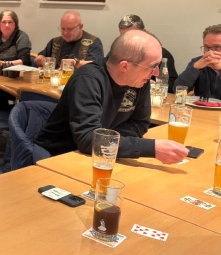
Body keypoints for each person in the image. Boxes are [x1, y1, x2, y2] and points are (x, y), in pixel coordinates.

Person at [35, 30, 188, 164]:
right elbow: (88, 140)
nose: (156, 73)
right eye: (152, 66)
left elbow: (140, 124)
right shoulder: (88, 80)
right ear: (125, 66)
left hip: (101, 156)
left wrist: (106, 140)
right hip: (60, 156)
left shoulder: (140, 80)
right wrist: (152, 148)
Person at [118, 14, 177, 91]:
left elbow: (173, 84)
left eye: (132, 35)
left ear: (144, 32)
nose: (127, 40)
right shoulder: (117, 53)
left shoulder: (161, 54)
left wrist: (155, 84)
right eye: (123, 36)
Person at [34, 10, 104, 69]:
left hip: (80, 79)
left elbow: (97, 65)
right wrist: (43, 61)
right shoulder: (56, 41)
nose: (65, 33)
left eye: (70, 29)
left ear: (80, 27)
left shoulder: (93, 42)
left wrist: (74, 63)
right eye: (63, 29)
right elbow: (37, 59)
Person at [175, 24, 221, 100]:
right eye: (206, 47)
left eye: (217, 47)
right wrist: (194, 68)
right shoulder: (198, 62)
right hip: (201, 107)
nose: (210, 52)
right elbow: (177, 90)